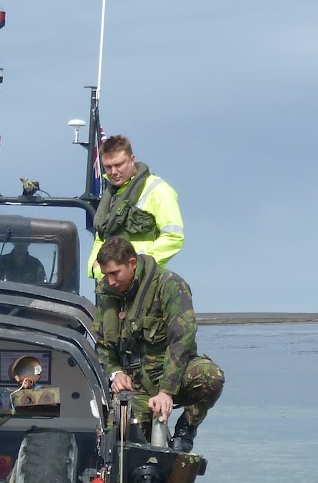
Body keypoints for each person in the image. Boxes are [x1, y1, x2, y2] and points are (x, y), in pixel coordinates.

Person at [93, 235, 223, 453]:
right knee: (122, 436)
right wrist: (115, 373)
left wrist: (166, 391)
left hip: (172, 374)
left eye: (115, 273)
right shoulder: (108, 296)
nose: (111, 281)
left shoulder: (170, 286)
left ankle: (186, 430)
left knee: (210, 376)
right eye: (107, 275)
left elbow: (182, 341)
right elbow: (103, 346)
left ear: (132, 264)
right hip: (134, 383)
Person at [86, 135, 184, 278]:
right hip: (110, 285)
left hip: (146, 282)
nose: (113, 172)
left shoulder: (159, 190)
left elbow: (174, 237)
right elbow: (101, 238)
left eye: (119, 165)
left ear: (132, 159)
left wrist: (135, 266)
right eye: (108, 166)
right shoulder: (110, 195)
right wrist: (95, 268)